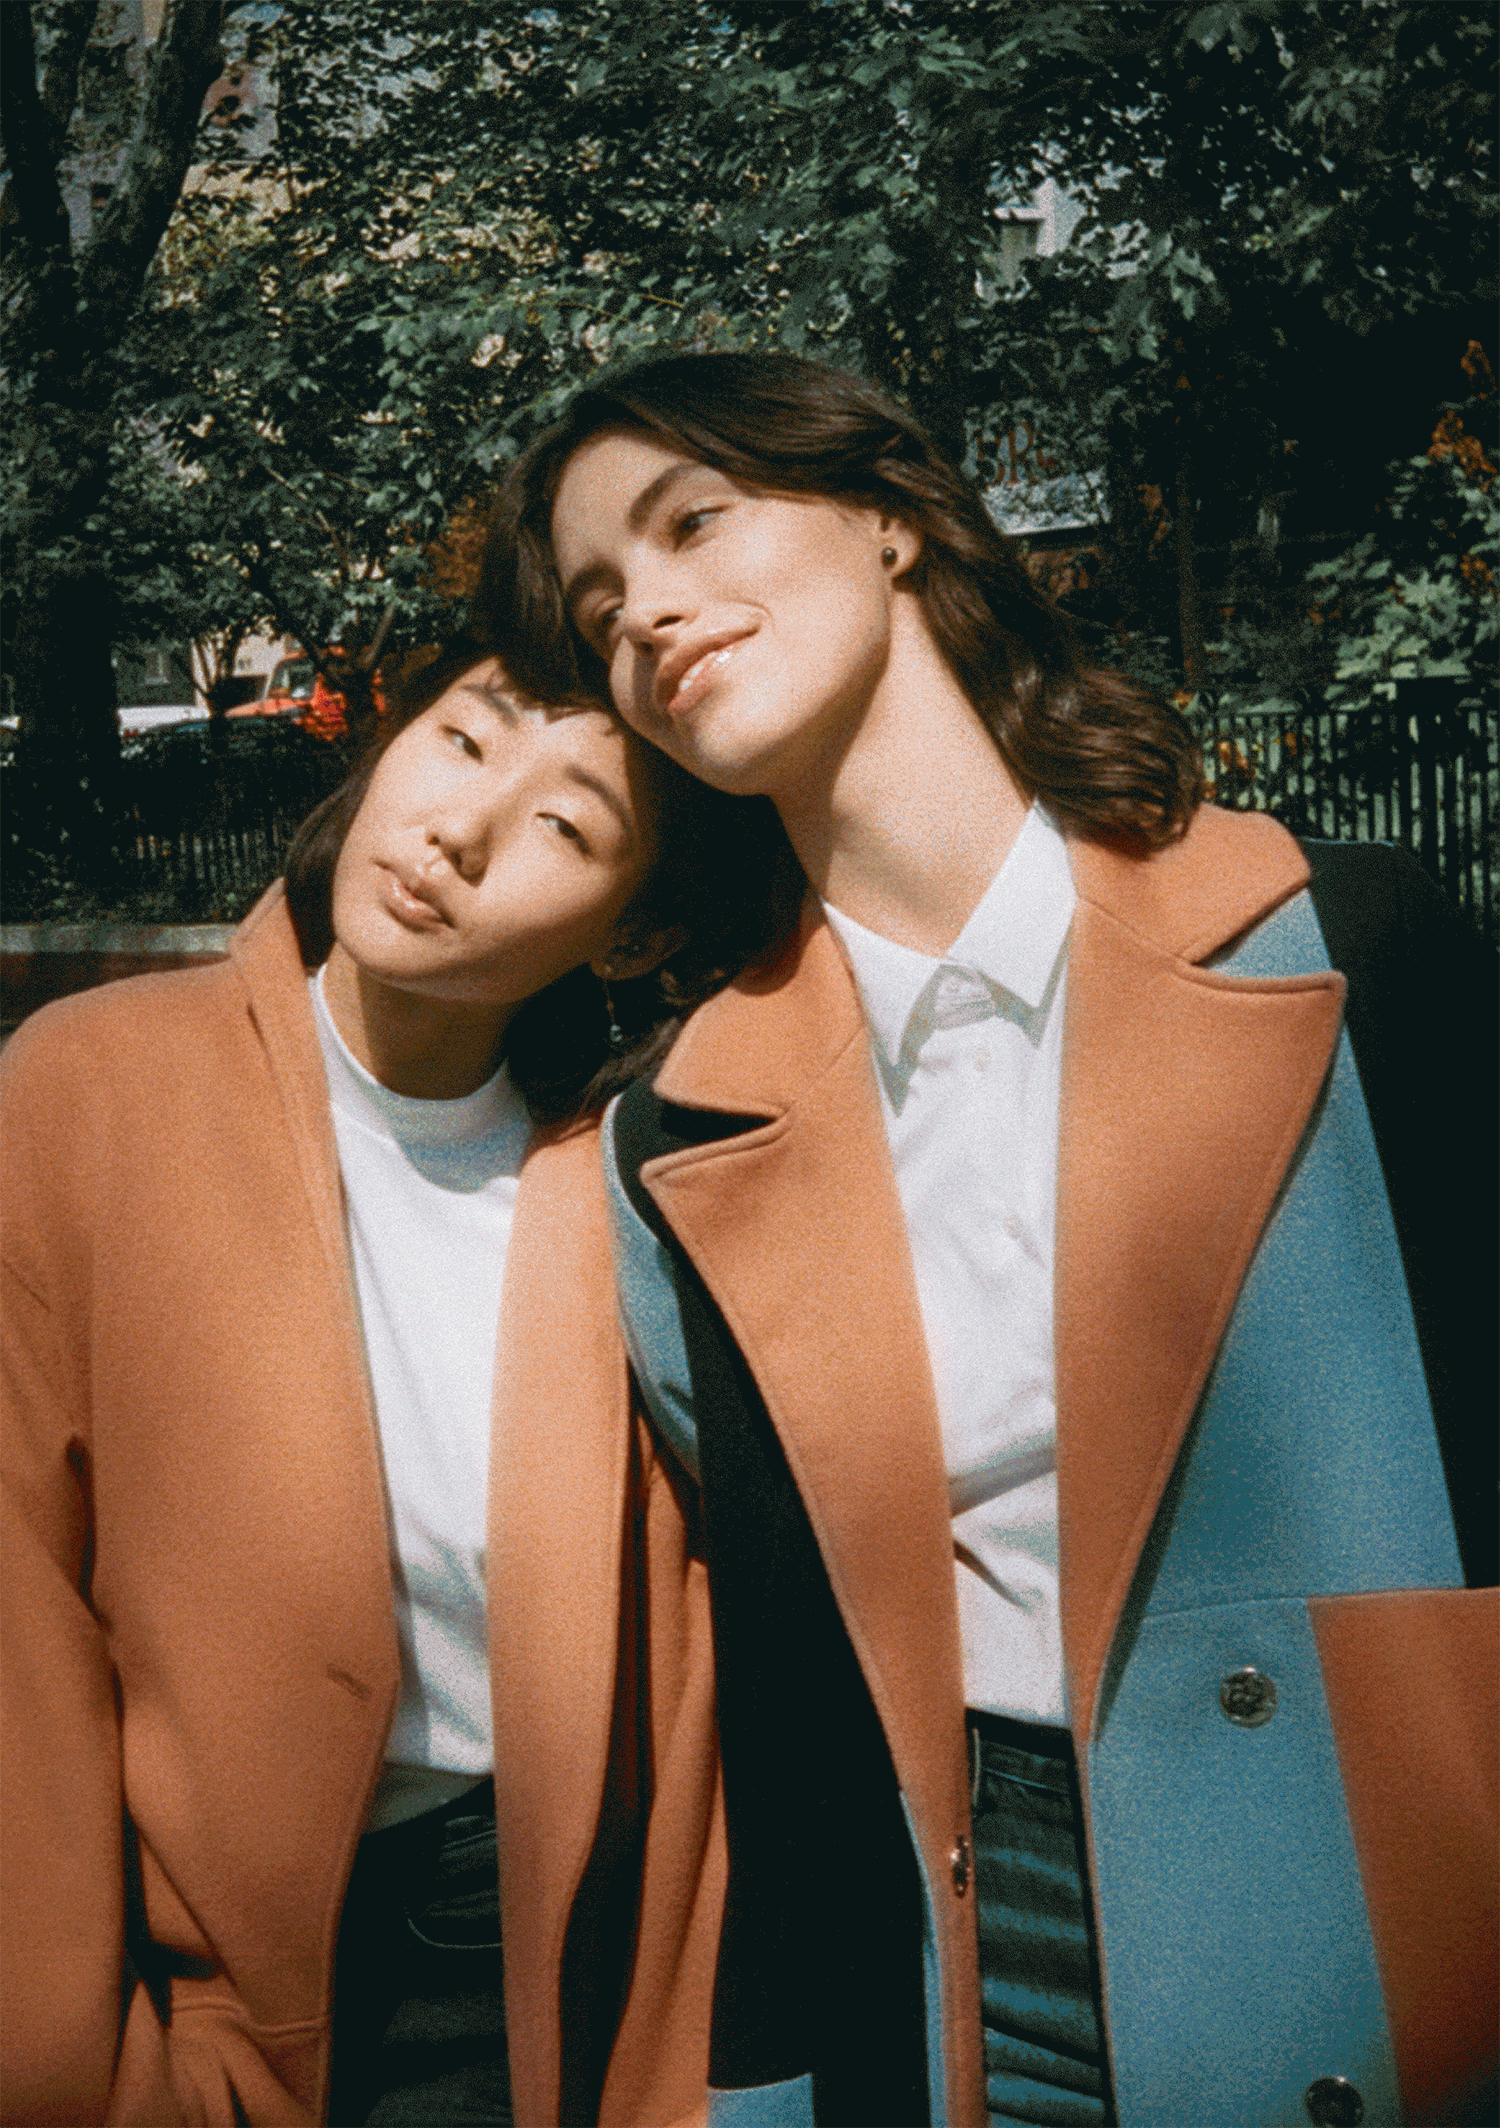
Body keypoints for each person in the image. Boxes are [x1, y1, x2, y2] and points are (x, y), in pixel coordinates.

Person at [483, 350, 1499, 2128]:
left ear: (887, 518)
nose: (642, 610)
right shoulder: (676, 1141)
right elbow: (788, 1719)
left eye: (690, 522)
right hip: (972, 1981)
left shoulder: (1354, 947)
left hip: (1402, 1913)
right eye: (597, 603)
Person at [0, 634, 799, 2125]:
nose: (460, 830)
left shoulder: (636, 1181)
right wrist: (81, 2072)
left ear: (626, 937)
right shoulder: (87, 1088)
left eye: (567, 827)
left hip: (546, 1970)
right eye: (462, 739)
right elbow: (17, 1645)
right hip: (198, 2001)